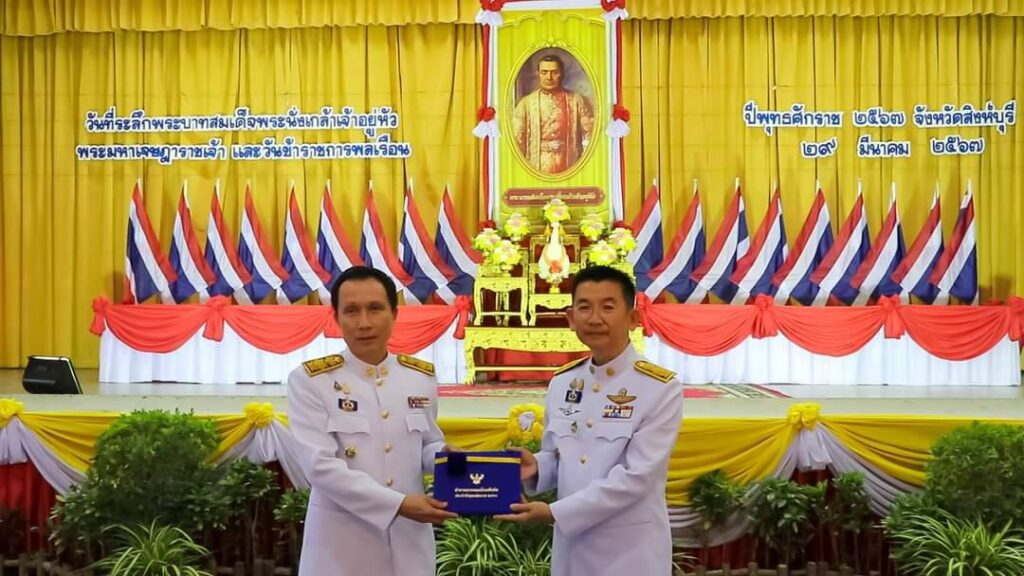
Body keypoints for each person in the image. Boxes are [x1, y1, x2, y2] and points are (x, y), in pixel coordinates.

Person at [495, 265, 684, 576]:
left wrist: (555, 512)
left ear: (633, 318)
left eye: (608, 307)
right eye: (584, 307)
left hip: (630, 552)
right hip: (573, 549)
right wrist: (537, 467)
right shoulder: (563, 383)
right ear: (571, 318)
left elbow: (637, 477)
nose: (595, 318)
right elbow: (561, 455)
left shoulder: (659, 387)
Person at [286, 266, 457, 576]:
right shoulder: (310, 381)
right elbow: (320, 468)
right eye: (351, 311)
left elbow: (426, 443)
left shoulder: (419, 377)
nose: (364, 323)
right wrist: (399, 504)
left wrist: (447, 458)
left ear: (394, 313)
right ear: (336, 317)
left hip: (409, 543)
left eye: (375, 308)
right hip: (342, 544)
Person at [511, 53, 596, 174]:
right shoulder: (526, 104)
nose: (549, 77)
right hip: (536, 168)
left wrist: (584, 165)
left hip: (571, 166)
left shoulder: (577, 101)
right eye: (544, 72)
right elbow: (516, 142)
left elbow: (590, 135)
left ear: (562, 74)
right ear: (538, 74)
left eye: (554, 72)